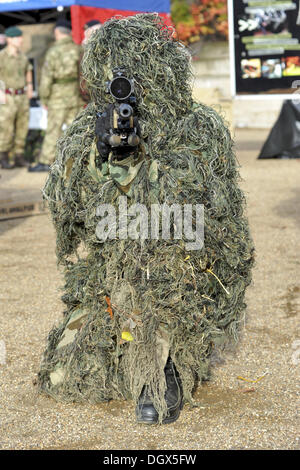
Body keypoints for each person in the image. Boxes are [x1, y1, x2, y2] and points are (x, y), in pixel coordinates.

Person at [38, 14, 254, 425]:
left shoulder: (198, 124)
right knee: (64, 376)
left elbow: (205, 210)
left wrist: (142, 166)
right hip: (111, 271)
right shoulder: (90, 127)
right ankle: (130, 350)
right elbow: (67, 211)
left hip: (177, 272)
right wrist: (99, 160)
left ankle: (163, 368)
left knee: (156, 264)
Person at [29, 19, 81, 172]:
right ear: (69, 32)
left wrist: (44, 98)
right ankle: (78, 158)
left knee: (53, 130)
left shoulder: (52, 52)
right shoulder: (78, 50)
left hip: (57, 97)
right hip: (75, 95)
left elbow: (46, 78)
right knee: (76, 129)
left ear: (57, 33)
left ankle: (46, 161)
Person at [0, 26, 33, 169]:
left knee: (22, 126)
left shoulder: (22, 56)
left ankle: (19, 156)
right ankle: (3, 156)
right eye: (17, 38)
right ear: (9, 39)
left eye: (20, 37)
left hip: (21, 95)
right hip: (7, 95)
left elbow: (28, 70)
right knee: (6, 128)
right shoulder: (1, 56)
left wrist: (30, 86)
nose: (20, 40)